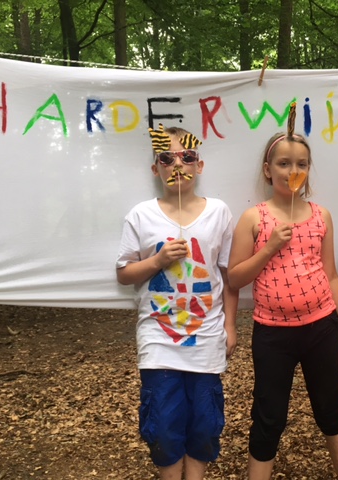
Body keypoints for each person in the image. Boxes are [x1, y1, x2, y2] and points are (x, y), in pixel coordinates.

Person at [228, 110, 338, 480]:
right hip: (273, 334)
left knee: (331, 410)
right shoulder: (254, 218)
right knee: (269, 416)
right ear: (267, 170)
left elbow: (331, 276)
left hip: (321, 327)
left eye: (302, 164)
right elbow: (235, 278)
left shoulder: (321, 216)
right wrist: (269, 247)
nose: (293, 170)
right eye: (284, 163)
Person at [116, 124, 238, 480]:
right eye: (167, 158)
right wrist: (157, 260)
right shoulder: (141, 215)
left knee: (204, 424)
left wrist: (230, 326)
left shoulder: (218, 212)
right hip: (158, 340)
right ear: (156, 169)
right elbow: (124, 273)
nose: (178, 164)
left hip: (206, 337)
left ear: (199, 164)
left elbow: (228, 275)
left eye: (187, 156)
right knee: (164, 427)